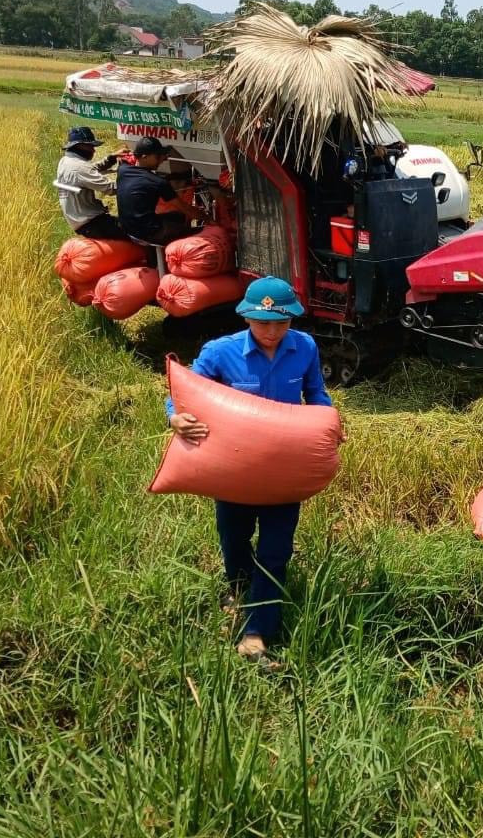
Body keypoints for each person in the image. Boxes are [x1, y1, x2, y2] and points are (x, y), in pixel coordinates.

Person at [166, 276, 339, 670]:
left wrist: (328, 420)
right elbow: (182, 392)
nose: (273, 331)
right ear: (246, 317)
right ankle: (238, 589)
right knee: (234, 537)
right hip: (235, 468)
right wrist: (176, 418)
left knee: (276, 550)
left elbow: (316, 394)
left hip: (283, 470)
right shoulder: (219, 352)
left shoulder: (305, 348)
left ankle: (256, 632)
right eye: (263, 323)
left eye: (281, 322)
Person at [116, 136, 205, 244]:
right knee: (195, 232)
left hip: (126, 228)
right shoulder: (157, 182)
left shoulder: (122, 170)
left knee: (178, 216)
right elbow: (186, 208)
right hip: (149, 232)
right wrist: (207, 218)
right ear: (144, 157)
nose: (163, 159)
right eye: (158, 156)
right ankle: (166, 255)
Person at [55, 127, 128, 239]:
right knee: (136, 234)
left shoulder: (65, 161)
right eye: (90, 146)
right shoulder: (78, 167)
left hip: (80, 221)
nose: (93, 151)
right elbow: (111, 188)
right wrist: (133, 178)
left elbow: (90, 169)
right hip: (92, 224)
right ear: (79, 146)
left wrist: (111, 158)